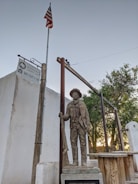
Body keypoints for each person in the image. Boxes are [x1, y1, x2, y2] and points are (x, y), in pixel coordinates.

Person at [60, 88, 91, 166]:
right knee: (73, 143)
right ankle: (75, 161)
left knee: (83, 143)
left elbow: (87, 115)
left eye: (76, 93)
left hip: (81, 126)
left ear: (79, 95)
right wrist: (62, 116)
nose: (74, 94)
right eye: (73, 93)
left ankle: (84, 161)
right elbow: (67, 116)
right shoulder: (69, 105)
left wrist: (88, 125)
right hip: (73, 126)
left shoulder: (82, 104)